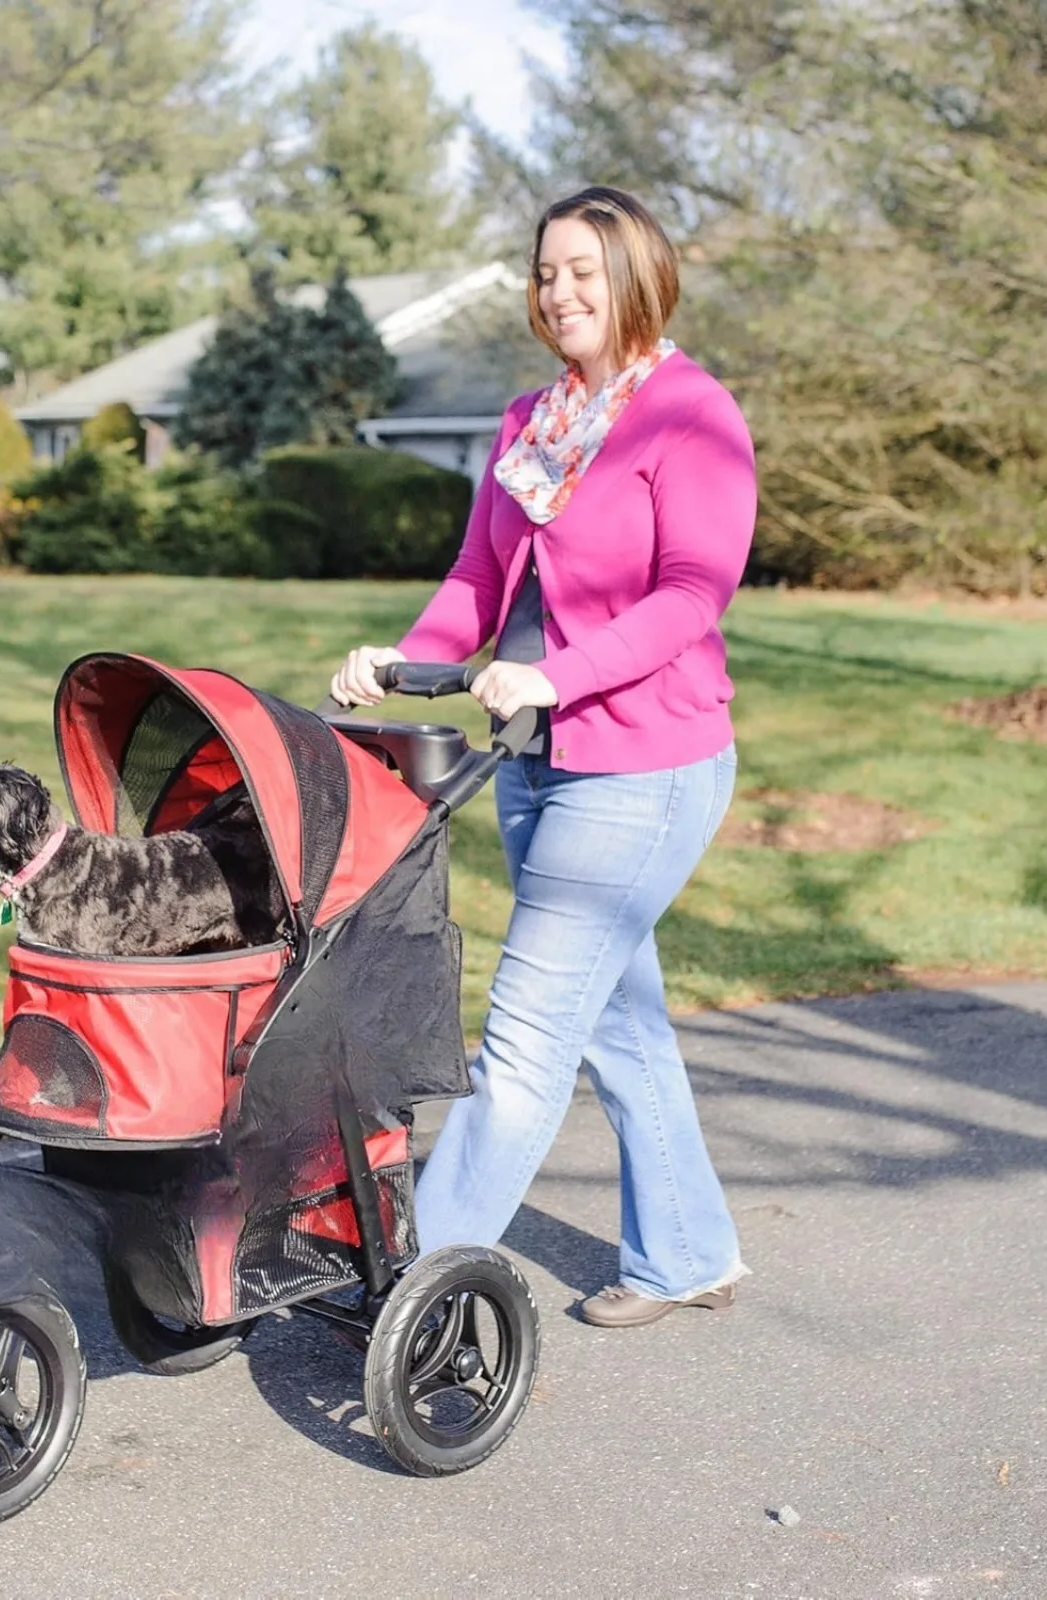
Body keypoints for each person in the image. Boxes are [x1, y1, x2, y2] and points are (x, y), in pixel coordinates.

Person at [329, 186, 755, 1329]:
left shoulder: (689, 414)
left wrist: (561, 674)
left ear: (636, 277)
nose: (559, 291)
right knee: (615, 1022)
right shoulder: (532, 422)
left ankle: (411, 1286)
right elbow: (479, 581)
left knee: (521, 1038)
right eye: (545, 271)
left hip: (645, 766)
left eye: (582, 269)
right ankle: (686, 1253)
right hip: (533, 759)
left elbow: (690, 596)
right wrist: (402, 662)